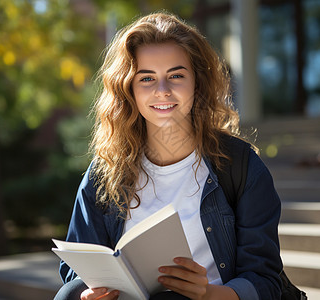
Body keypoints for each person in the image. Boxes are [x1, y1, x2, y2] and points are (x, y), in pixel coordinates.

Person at [54, 12, 282, 300]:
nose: (162, 91)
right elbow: (76, 270)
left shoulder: (240, 165)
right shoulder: (105, 171)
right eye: (147, 78)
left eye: (175, 75)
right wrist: (89, 294)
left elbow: (265, 281)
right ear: (129, 89)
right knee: (68, 295)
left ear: (197, 82)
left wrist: (209, 294)